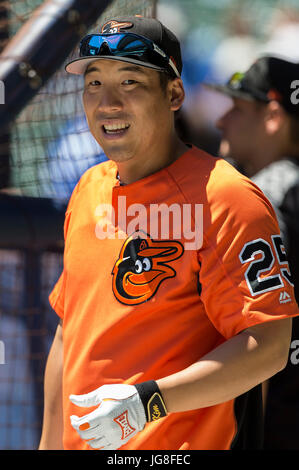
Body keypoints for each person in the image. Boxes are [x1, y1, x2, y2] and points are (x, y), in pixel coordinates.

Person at [38, 17, 299, 451]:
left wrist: (149, 403)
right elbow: (69, 333)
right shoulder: (87, 189)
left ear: (174, 93)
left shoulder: (227, 196)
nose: (108, 103)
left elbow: (270, 345)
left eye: (130, 81)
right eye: (94, 83)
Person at [207, 56, 299, 449]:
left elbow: (259, 335)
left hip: (275, 419)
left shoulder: (262, 196)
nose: (221, 120)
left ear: (273, 117)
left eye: (237, 108)